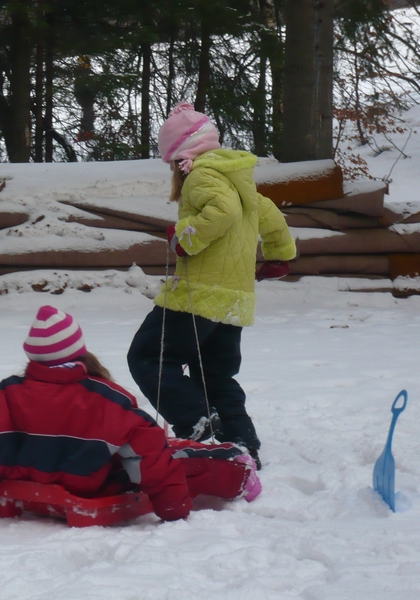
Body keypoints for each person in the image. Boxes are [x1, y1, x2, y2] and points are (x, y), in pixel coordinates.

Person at [0, 305, 260, 522]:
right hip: (94, 492)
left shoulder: (4, 394)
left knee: (150, 450)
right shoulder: (107, 401)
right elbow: (151, 460)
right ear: (79, 353)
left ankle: (232, 461)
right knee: (173, 455)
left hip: (23, 489)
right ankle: (237, 469)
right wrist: (173, 510)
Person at [126, 102, 297, 470]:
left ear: (181, 156)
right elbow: (271, 217)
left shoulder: (202, 176)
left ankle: (196, 422)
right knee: (215, 372)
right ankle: (241, 442)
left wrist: (185, 236)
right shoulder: (240, 180)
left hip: (199, 295)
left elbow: (223, 213)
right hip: (234, 300)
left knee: (147, 357)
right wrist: (279, 255)